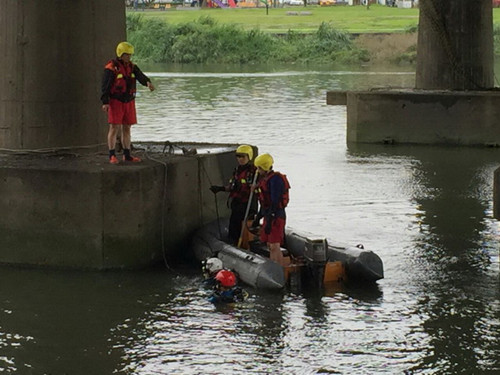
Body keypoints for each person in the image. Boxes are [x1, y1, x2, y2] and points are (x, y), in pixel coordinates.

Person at [101, 41, 155, 164]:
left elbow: (140, 76)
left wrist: (148, 83)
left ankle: (127, 154)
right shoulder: (111, 68)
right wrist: (105, 101)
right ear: (120, 54)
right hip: (116, 101)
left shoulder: (132, 66)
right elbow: (106, 85)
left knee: (127, 128)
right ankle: (112, 155)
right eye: (127, 54)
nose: (129, 57)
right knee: (114, 127)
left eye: (130, 55)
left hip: (129, 101)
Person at [210, 145, 258, 245]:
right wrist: (220, 189)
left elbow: (258, 188)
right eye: (238, 156)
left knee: (244, 227)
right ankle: (234, 245)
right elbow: (232, 186)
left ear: (249, 156)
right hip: (237, 203)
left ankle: (246, 246)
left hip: (247, 204)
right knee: (233, 226)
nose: (240, 159)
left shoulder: (254, 172)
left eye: (242, 156)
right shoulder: (237, 170)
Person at [252, 153, 290, 267]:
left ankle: (278, 268)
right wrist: (259, 217)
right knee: (270, 245)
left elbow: (274, 201)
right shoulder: (265, 179)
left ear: (264, 167)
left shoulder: (275, 180)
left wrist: (270, 219)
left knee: (274, 246)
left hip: (276, 215)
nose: (257, 171)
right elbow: (264, 203)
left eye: (259, 168)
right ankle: (275, 267)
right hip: (268, 215)